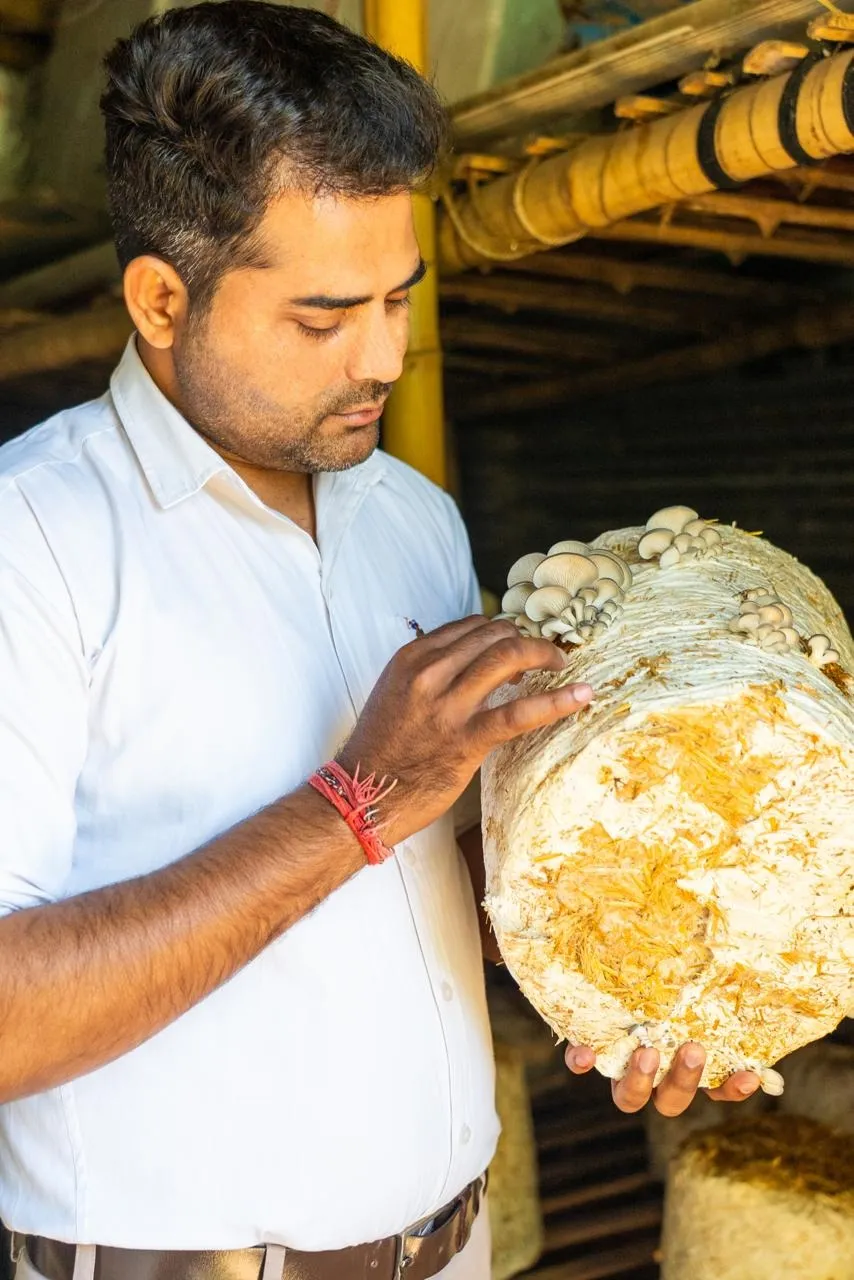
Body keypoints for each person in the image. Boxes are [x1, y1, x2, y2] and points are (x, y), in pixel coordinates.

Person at [0, 5, 758, 1278]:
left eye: (399, 295)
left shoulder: (408, 511)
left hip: (450, 1247)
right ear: (159, 296)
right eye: (321, 316)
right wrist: (357, 798)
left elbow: (443, 876)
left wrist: (629, 974)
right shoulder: (33, 539)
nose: (384, 355)